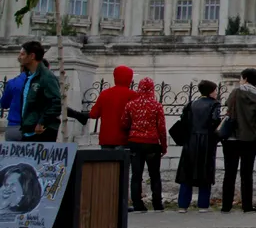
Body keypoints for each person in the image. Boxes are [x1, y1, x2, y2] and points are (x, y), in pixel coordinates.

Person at [221, 68, 256, 213]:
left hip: (232, 137)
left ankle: (226, 205)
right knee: (247, 173)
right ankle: (247, 205)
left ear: (245, 78)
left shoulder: (236, 92)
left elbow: (228, 107)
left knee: (230, 172)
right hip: (250, 137)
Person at [174, 80, 221, 213]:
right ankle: (203, 205)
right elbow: (215, 121)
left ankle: (183, 204)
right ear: (210, 91)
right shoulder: (214, 104)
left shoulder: (191, 104)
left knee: (187, 172)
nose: (216, 93)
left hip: (190, 141)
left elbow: (184, 121)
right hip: (206, 141)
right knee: (205, 171)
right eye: (215, 90)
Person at [121, 78, 167, 211]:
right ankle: (157, 203)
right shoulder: (156, 105)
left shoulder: (131, 105)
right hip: (152, 143)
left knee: (136, 175)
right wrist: (164, 146)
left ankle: (137, 204)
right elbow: (161, 128)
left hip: (135, 142)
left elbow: (124, 123)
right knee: (155, 175)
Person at [16, 41, 60, 142]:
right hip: (28, 129)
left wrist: (42, 122)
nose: (19, 57)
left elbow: (56, 103)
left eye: (22, 54)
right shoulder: (29, 76)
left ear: (32, 56)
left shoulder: (46, 77)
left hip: (41, 131)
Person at [86, 65, 136, 149]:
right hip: (124, 138)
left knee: (106, 157)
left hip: (105, 138)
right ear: (130, 79)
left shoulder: (105, 94)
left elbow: (94, 114)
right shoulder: (133, 95)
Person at [1, 68, 27, 141]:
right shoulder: (40, 83)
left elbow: (4, 104)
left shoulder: (13, 82)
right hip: (33, 128)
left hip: (14, 125)